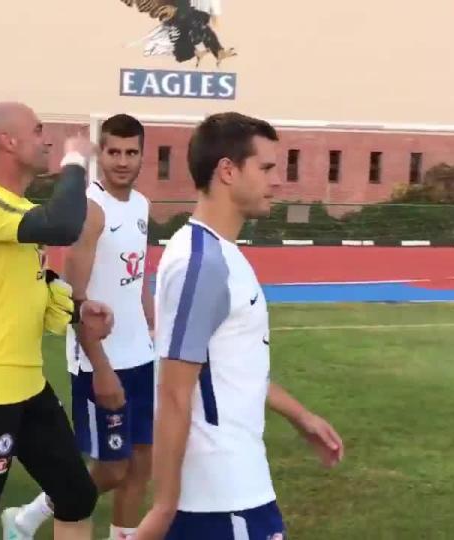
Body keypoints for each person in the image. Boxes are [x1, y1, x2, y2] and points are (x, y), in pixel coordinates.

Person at [136, 113, 345, 540]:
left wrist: (300, 415)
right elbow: (175, 391)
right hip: (221, 497)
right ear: (228, 171)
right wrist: (163, 506)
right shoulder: (202, 262)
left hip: (237, 486)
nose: (277, 180)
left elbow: (228, 366)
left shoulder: (218, 253)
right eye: (266, 168)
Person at [0, 102, 112, 540]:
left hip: (28, 385)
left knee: (76, 494)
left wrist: (77, 308)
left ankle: (19, 524)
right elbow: (65, 224)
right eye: (37, 131)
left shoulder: (16, 207)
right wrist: (75, 159)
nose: (46, 139)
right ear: (8, 142)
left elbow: (28, 283)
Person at [6, 114, 156, 540]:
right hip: (101, 362)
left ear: (143, 155)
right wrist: (101, 365)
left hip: (140, 355)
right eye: (113, 152)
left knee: (142, 463)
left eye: (131, 152)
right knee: (112, 467)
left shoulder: (142, 205)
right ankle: (28, 516)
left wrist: (152, 332)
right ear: (100, 154)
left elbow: (139, 275)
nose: (122, 161)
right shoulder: (91, 210)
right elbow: (75, 299)